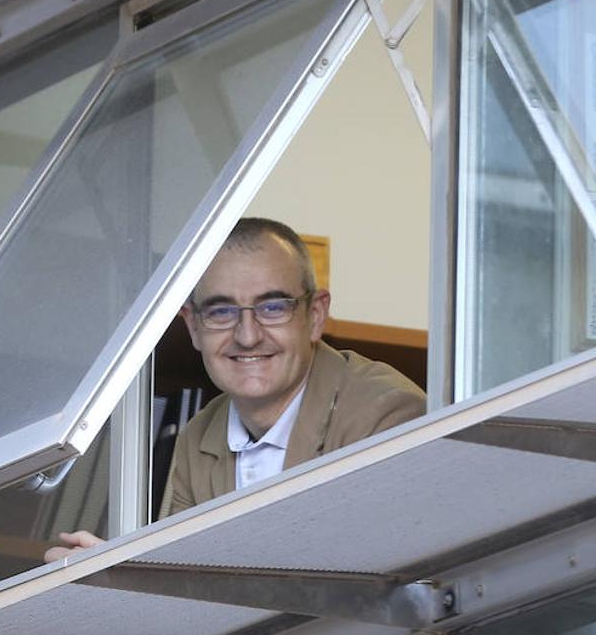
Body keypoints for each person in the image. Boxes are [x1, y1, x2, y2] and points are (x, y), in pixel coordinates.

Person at [44, 217, 426, 562]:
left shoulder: (386, 414)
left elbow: (362, 582)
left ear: (315, 316)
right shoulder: (199, 434)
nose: (247, 336)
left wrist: (141, 576)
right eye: (221, 311)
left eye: (273, 307)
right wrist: (120, 575)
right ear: (193, 327)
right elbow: (188, 590)